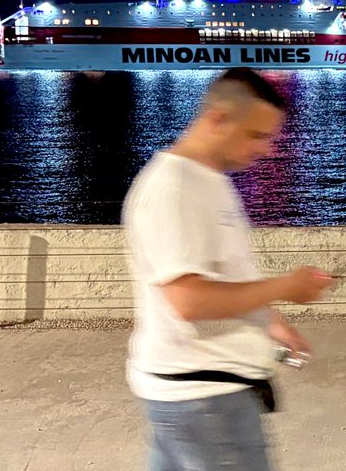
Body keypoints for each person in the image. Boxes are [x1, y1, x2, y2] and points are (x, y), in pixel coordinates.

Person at [123, 67, 334, 470]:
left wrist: (270, 321)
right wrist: (285, 286)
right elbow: (188, 299)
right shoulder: (174, 189)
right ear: (218, 118)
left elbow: (224, 277)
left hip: (198, 394)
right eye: (257, 135)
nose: (268, 149)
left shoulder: (210, 180)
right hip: (205, 400)